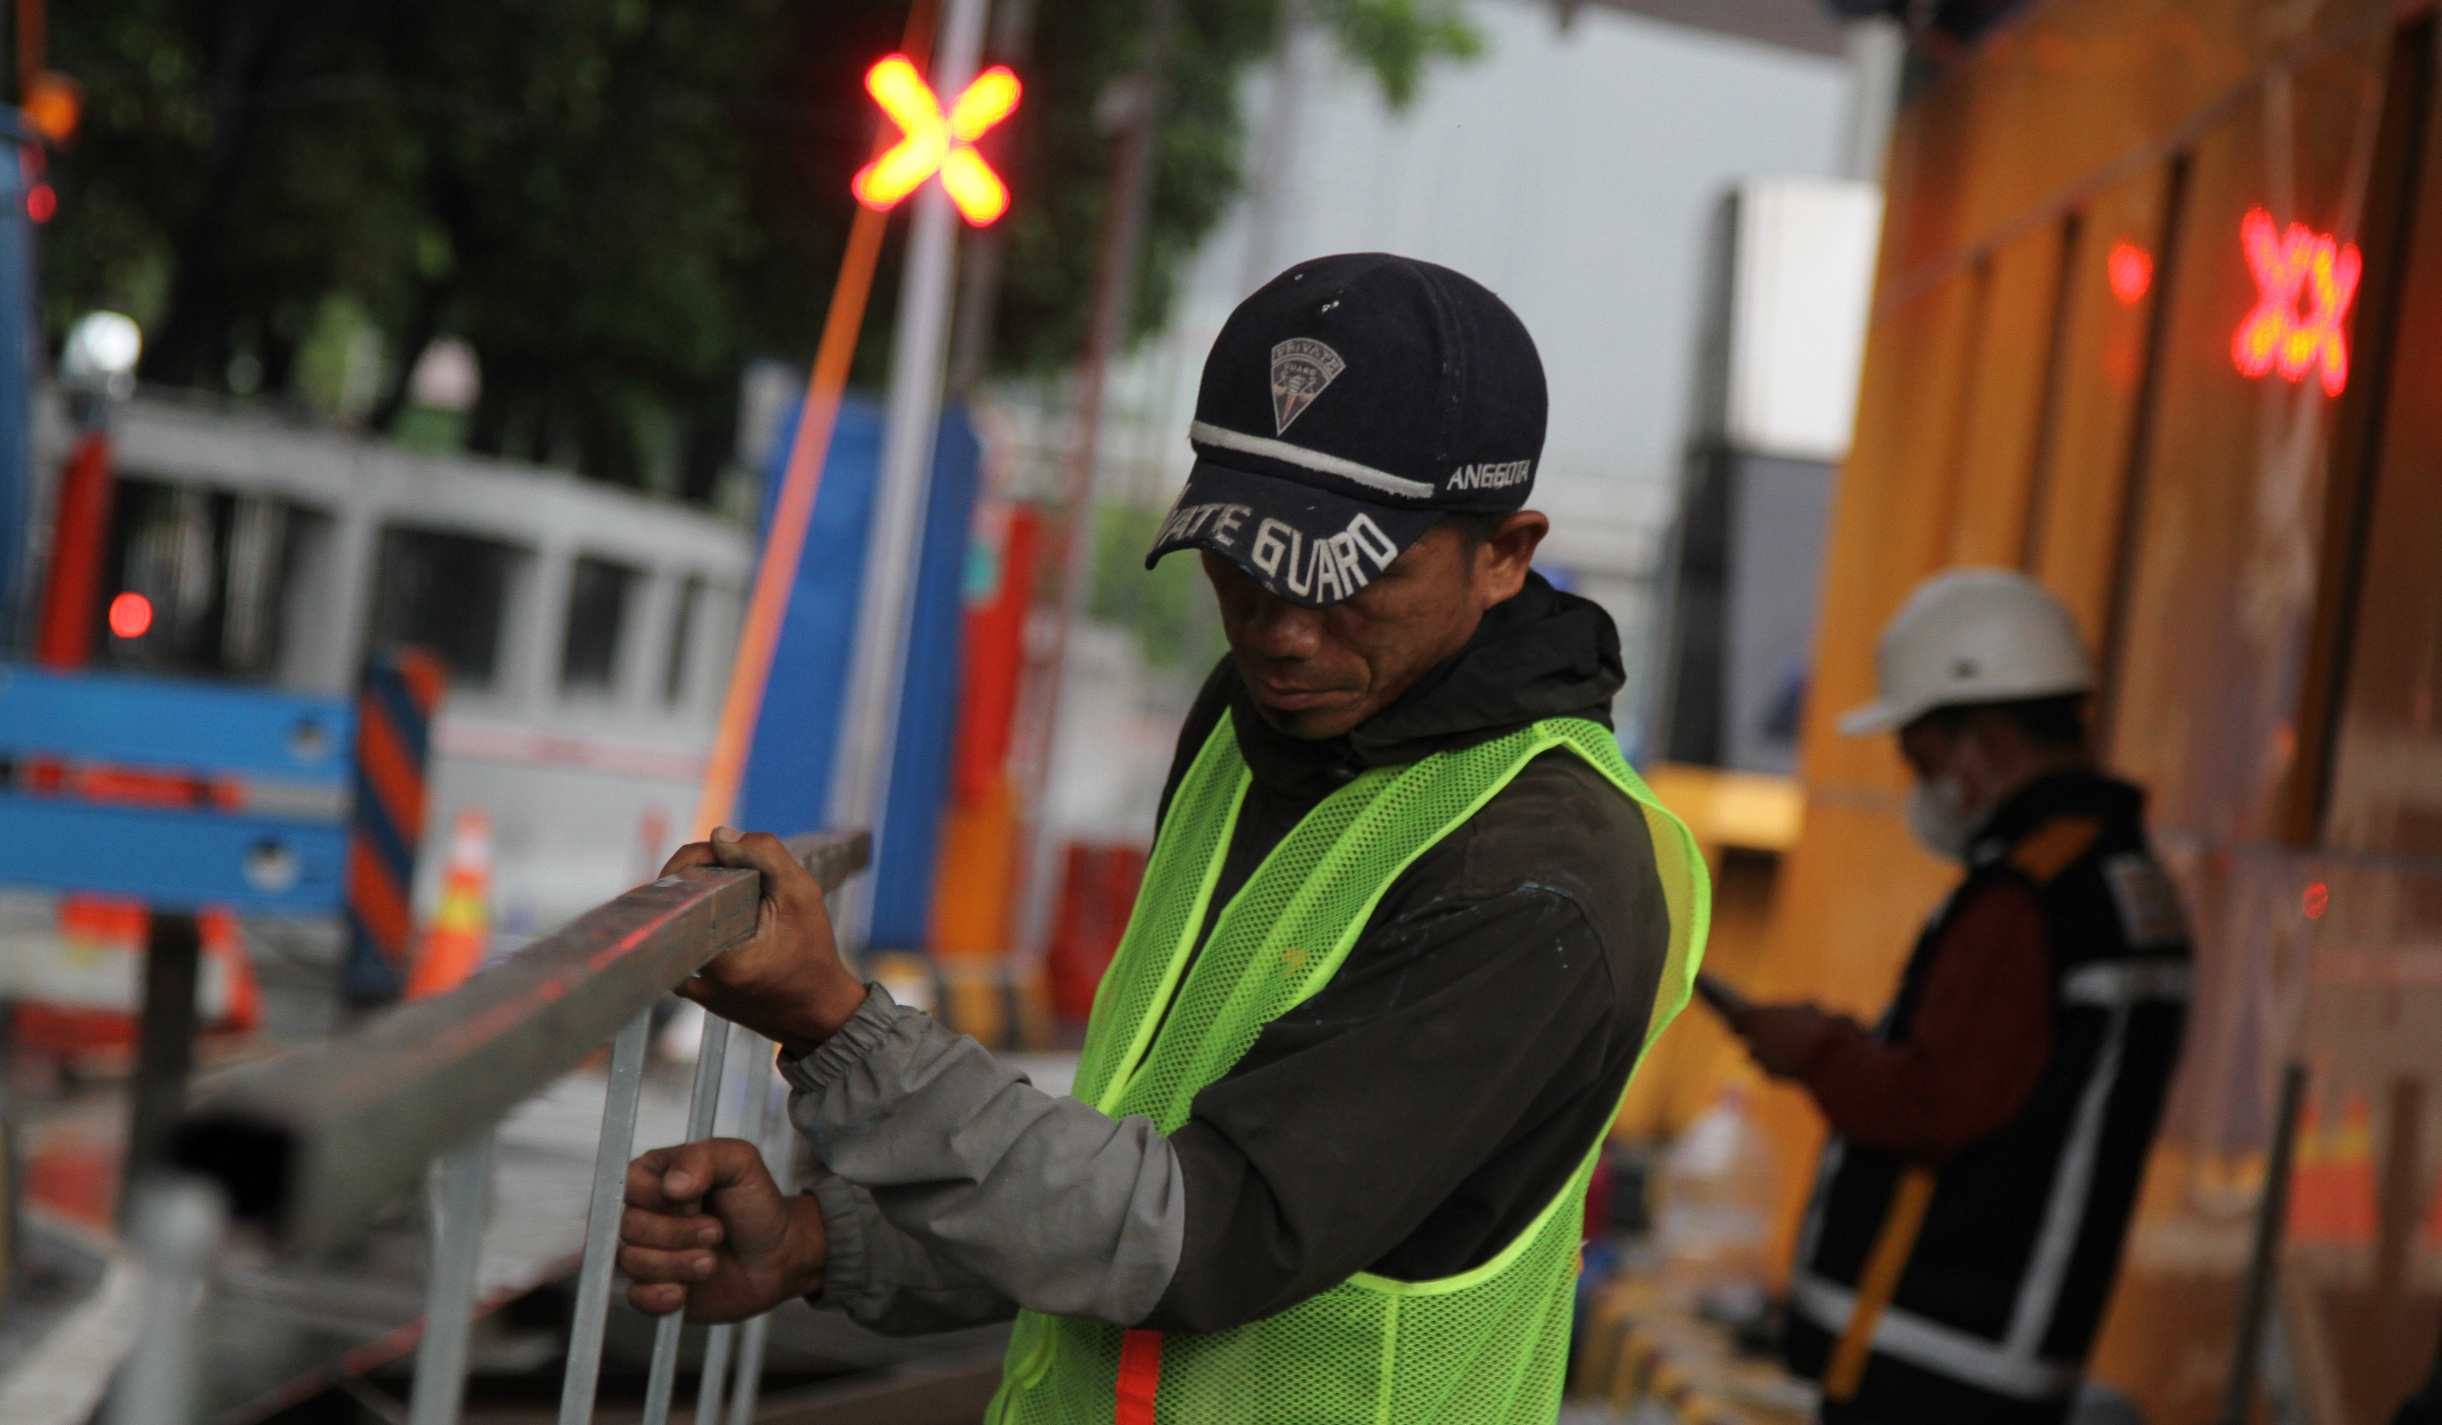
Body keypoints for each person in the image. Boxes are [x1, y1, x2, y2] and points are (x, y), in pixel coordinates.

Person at [614, 254, 1711, 1423]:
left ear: (1504, 552)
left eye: (1346, 579)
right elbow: (1128, 1163)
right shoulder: (1262, 729)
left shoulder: (1540, 877)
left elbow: (1197, 1233)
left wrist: (835, 1025)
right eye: (1244, 564)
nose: (1282, 632)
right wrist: (818, 1245)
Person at [1723, 570, 2191, 1425]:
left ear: (1976, 737)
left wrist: (1814, 1049)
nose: (1913, 773)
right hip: (2006, 1358)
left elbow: (1935, 1102)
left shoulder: (2028, 895)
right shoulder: (2126, 884)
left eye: (1920, 750)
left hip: (1931, 1365)